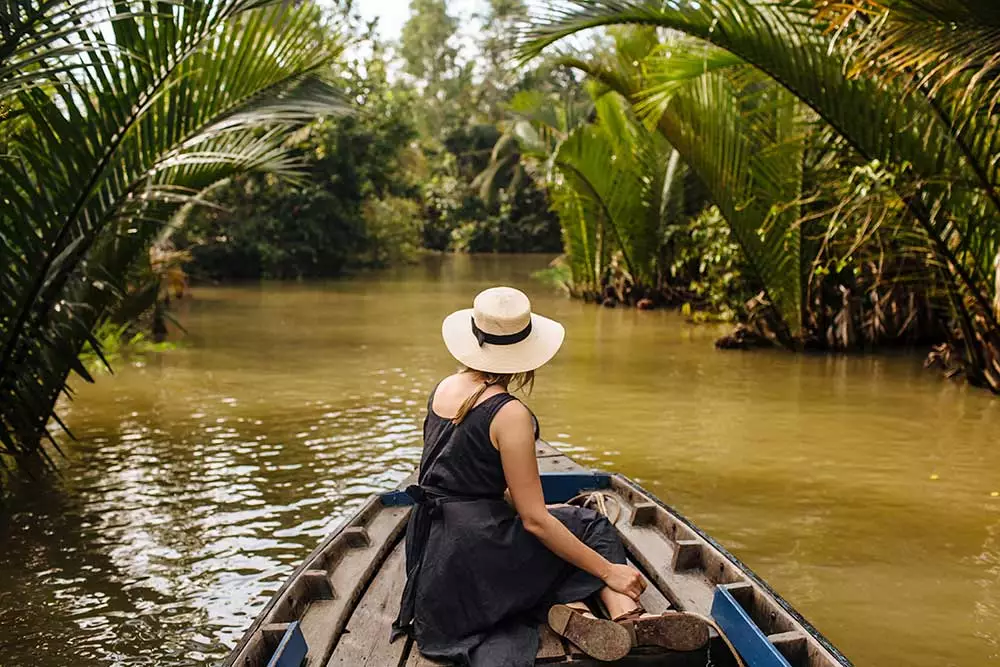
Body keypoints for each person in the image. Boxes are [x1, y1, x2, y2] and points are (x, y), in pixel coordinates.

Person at [392, 286, 709, 665]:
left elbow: (467, 482)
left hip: (438, 552)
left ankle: (581, 616)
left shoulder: (444, 388)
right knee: (589, 523)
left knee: (562, 526)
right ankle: (627, 614)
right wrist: (611, 570)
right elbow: (535, 520)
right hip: (480, 556)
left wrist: (543, 513)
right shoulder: (509, 413)